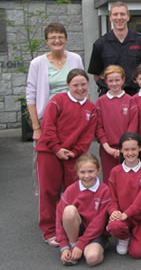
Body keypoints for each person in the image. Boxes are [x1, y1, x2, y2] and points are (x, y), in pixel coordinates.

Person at [35, 69, 97, 246]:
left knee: (72, 191)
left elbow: (87, 136)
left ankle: (71, 224)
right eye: (75, 85)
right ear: (68, 85)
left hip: (72, 156)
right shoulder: (57, 101)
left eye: (83, 84)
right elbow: (48, 127)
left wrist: (75, 152)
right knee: (49, 191)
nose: (80, 88)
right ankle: (49, 230)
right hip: (49, 152)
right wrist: (57, 149)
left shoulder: (91, 109)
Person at [26, 22, 84, 141]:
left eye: (60, 37)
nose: (57, 40)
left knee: (74, 154)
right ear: (46, 41)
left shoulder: (75, 59)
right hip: (47, 118)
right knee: (45, 156)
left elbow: (83, 88)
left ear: (66, 39)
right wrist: (36, 128)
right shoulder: (37, 63)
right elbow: (31, 96)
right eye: (53, 37)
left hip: (72, 117)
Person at [88, 1, 141, 96]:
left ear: (128, 16)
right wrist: (111, 86)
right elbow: (96, 74)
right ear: (110, 17)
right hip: (110, 96)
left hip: (136, 94)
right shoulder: (100, 44)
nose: (119, 18)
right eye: (115, 14)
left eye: (122, 14)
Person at [55, 154, 110, 266]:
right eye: (82, 172)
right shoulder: (71, 190)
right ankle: (72, 245)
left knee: (92, 259)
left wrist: (82, 244)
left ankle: (82, 249)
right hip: (75, 231)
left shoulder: (105, 190)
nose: (87, 176)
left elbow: (99, 223)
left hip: (96, 233)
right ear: (77, 172)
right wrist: (64, 246)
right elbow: (59, 218)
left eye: (91, 171)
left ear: (98, 171)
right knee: (69, 210)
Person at [107, 133, 141, 258]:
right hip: (123, 218)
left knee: (138, 253)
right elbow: (112, 197)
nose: (130, 153)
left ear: (140, 148)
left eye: (133, 149)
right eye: (126, 149)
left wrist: (126, 213)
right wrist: (114, 211)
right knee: (114, 226)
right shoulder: (115, 171)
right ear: (121, 150)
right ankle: (124, 236)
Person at [95, 65, 138, 181]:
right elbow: (98, 127)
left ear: (123, 80)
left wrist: (125, 148)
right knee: (110, 180)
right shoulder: (100, 102)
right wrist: (107, 147)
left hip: (127, 150)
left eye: (117, 80)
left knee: (127, 180)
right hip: (107, 150)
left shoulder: (130, 100)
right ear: (106, 82)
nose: (114, 84)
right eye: (111, 81)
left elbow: (132, 126)